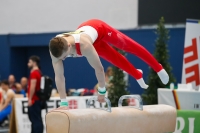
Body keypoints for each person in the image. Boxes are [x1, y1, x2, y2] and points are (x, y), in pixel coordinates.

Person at [49, 19, 169, 106]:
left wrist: (102, 91)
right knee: (115, 59)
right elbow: (59, 76)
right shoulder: (55, 49)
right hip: (90, 38)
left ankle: (158, 68)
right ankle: (137, 74)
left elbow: (99, 69)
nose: (63, 59)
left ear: (69, 46)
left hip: (99, 29)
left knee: (129, 46)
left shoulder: (84, 45)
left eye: (65, 56)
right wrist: (63, 102)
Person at [27, 56, 43, 133]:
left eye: (29, 62)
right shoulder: (39, 72)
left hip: (34, 100)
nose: (28, 64)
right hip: (37, 99)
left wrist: (30, 99)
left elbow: (32, 87)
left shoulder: (34, 73)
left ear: (34, 63)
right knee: (37, 119)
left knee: (35, 120)